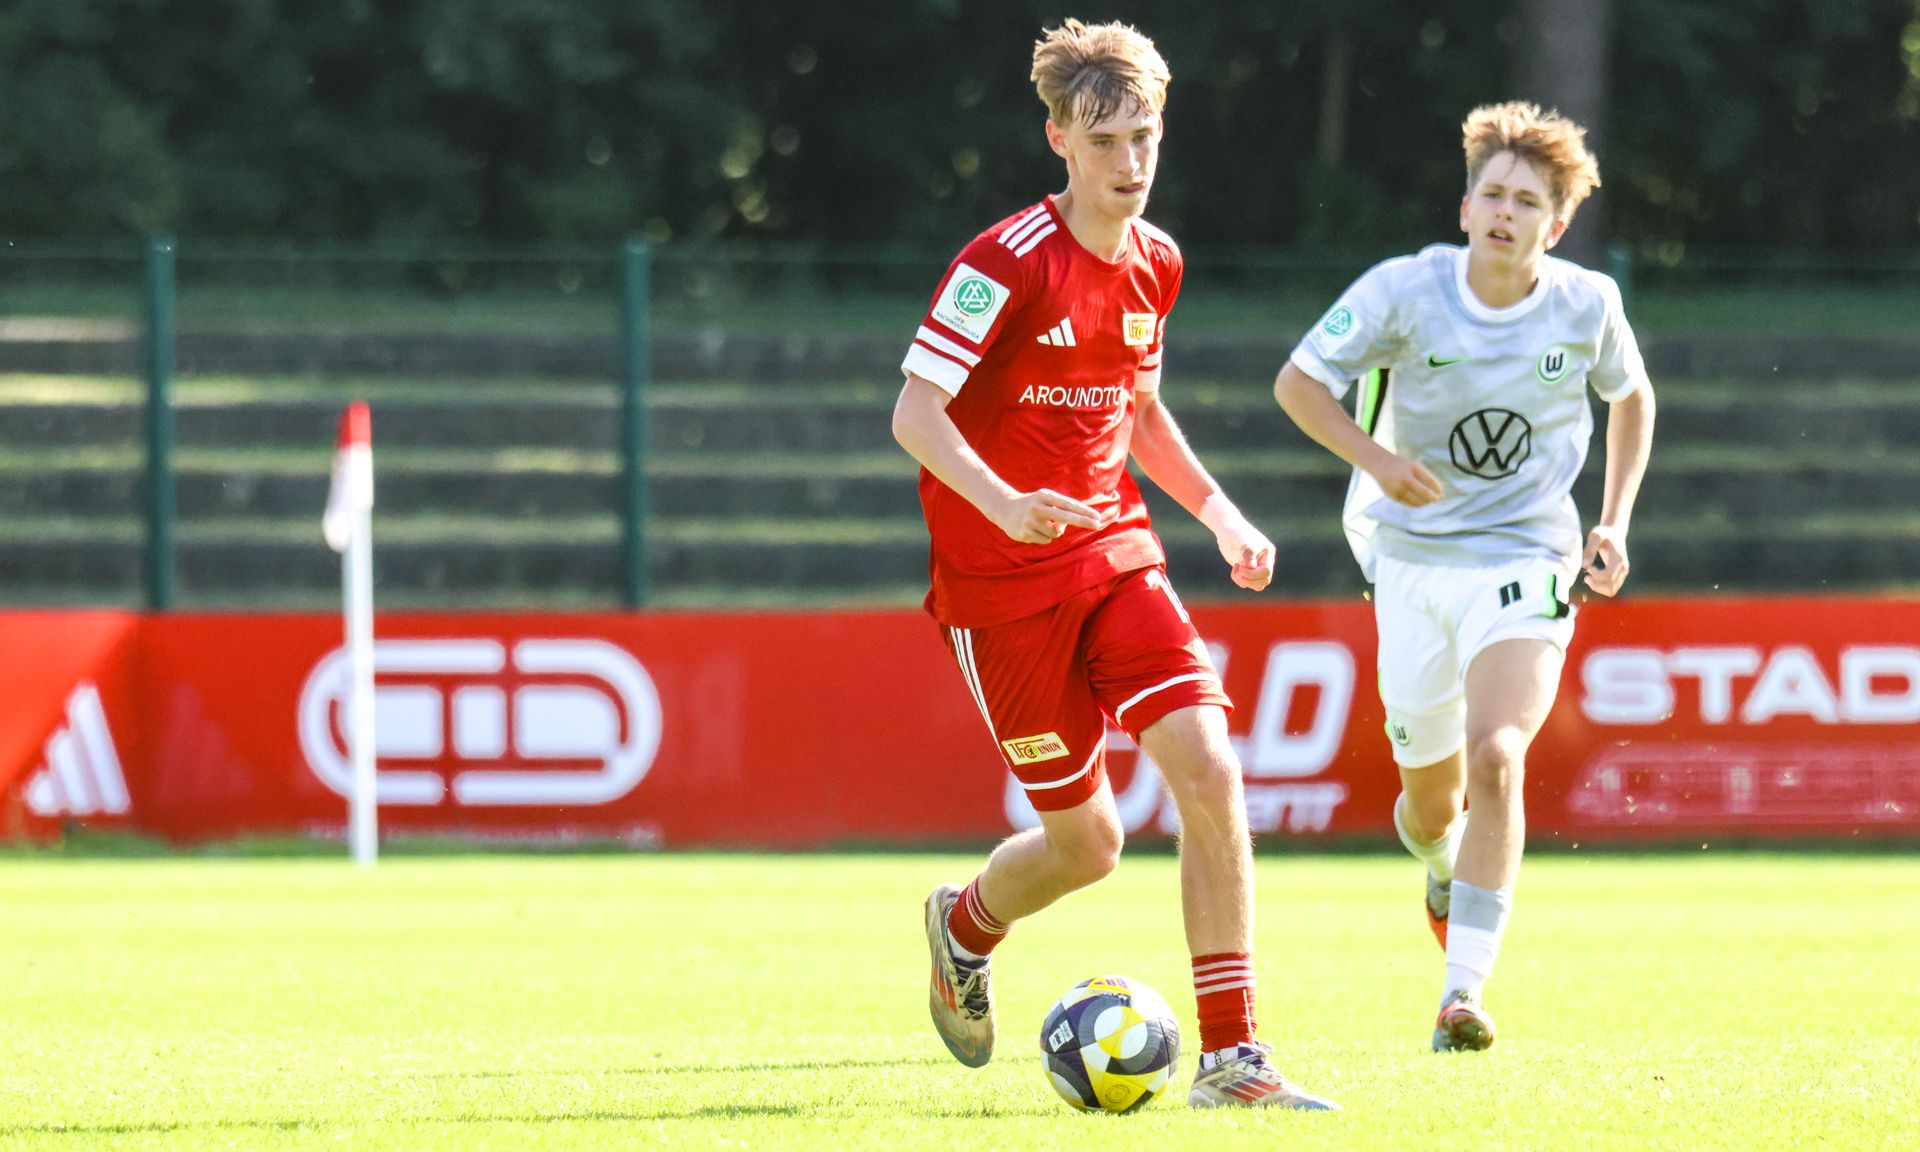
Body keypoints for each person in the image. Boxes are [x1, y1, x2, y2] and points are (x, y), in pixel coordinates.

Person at [892, 18, 1337, 1110]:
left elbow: (1136, 410)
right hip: (1000, 593)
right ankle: (963, 925)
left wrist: (1222, 514)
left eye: (1145, 137)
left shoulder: (1158, 263)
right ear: (1057, 140)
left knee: (1211, 767)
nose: (1130, 163)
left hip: (1116, 556)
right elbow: (915, 413)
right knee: (1089, 845)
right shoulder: (1002, 263)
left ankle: (1233, 1059)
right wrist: (1003, 503)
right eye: (1105, 142)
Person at [1273, 102, 1657, 1052]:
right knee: (1429, 804)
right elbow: (1296, 384)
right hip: (1408, 559)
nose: (1505, 211)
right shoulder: (1405, 291)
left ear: (1554, 227)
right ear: (1464, 205)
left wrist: (1611, 523)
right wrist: (1378, 459)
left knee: (1498, 756)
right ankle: (1442, 865)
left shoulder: (1587, 305)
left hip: (1527, 555)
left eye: (1527, 201)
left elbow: (1633, 397)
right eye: (1492, 193)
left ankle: (1462, 994)